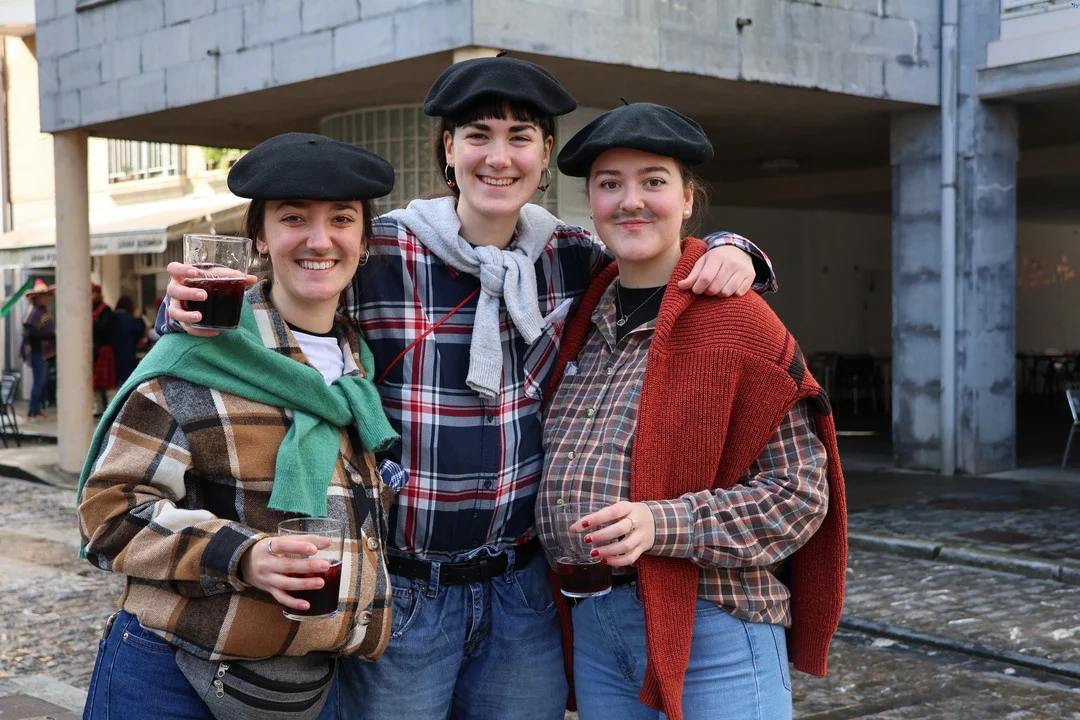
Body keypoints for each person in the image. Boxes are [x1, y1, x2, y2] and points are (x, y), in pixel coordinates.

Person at [162, 56, 778, 720]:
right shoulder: (381, 251)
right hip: (405, 588)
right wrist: (185, 312)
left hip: (522, 592)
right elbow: (281, 298)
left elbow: (654, 251)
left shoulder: (572, 257)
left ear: (545, 156)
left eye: (520, 138)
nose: (499, 157)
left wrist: (733, 247)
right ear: (449, 151)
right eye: (478, 136)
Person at [537, 102, 848, 720]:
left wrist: (662, 524)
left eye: (653, 181)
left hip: (714, 624)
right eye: (609, 184)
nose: (631, 201)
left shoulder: (738, 321)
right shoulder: (580, 315)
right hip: (596, 625)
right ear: (591, 203)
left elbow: (799, 495)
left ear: (686, 200)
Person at [78, 133, 403, 720]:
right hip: (170, 676)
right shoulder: (198, 355)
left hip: (304, 687)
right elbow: (109, 515)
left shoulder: (359, 365)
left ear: (363, 241)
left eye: (342, 219)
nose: (319, 239)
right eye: (293, 218)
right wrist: (243, 556)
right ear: (259, 237)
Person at [20, 278, 56, 422]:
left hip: (42, 353)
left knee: (41, 382)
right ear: (37, 297)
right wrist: (52, 335)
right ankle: (33, 411)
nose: (48, 299)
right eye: (45, 296)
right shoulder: (34, 312)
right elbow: (31, 334)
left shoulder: (41, 310)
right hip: (37, 353)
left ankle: (36, 410)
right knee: (38, 383)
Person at [90, 283, 116, 411]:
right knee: (95, 382)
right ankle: (97, 407)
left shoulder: (105, 310)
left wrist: (94, 321)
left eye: (93, 293)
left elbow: (106, 328)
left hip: (104, 349)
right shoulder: (90, 309)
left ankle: (111, 407)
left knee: (108, 381)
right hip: (93, 349)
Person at [111, 295, 146, 385]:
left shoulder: (113, 316)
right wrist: (139, 318)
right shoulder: (129, 319)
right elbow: (139, 331)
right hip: (127, 351)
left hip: (113, 351)